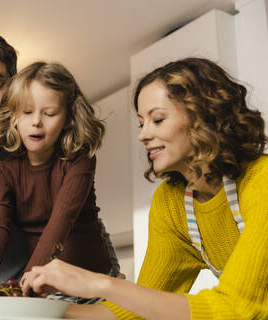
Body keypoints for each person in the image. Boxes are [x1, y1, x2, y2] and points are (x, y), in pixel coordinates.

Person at [21, 57, 268, 320]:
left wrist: (97, 283)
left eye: (158, 119)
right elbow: (137, 311)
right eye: (142, 123)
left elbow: (237, 309)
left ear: (205, 116)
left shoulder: (261, 181)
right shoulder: (172, 202)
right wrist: (42, 311)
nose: (143, 135)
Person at [0, 31, 123, 280]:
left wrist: (112, 277)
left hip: (64, 278)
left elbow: (74, 215)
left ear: (14, 84)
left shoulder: (69, 155)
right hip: (13, 286)